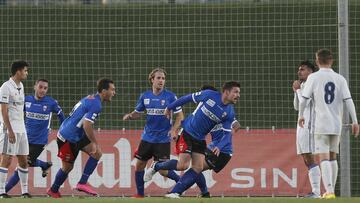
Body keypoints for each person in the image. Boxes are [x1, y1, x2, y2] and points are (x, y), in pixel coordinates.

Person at [144, 84, 240, 198]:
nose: (238, 95)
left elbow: (228, 134)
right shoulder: (209, 95)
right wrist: (169, 107)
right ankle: (157, 166)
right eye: (236, 92)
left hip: (200, 138)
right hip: (187, 132)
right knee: (182, 165)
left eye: (239, 93)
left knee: (197, 168)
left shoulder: (229, 112)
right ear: (226, 92)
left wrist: (219, 146)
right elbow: (187, 98)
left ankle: (175, 192)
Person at [298, 48, 359, 199]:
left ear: (317, 61)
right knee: (332, 156)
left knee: (323, 157)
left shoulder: (313, 77)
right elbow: (348, 100)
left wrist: (300, 115)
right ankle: (330, 191)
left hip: (321, 124)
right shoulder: (340, 78)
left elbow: (304, 99)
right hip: (336, 124)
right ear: (331, 61)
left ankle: (330, 191)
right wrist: (355, 121)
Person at [46, 78, 115, 198]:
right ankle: (53, 190)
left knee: (97, 153)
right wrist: (94, 142)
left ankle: (82, 183)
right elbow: (87, 124)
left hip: (76, 134)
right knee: (67, 167)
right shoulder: (96, 104)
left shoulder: (91, 98)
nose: (114, 92)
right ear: (104, 91)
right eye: (112, 90)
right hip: (67, 137)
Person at [123, 68, 184, 198]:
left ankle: (182, 184)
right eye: (158, 78)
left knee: (163, 170)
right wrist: (129, 116)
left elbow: (180, 116)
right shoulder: (145, 96)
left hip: (163, 140)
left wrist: (174, 129)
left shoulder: (171, 97)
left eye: (163, 78)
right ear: (152, 80)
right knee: (139, 165)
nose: (161, 81)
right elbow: (138, 113)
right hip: (147, 138)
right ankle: (140, 195)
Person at [5, 79, 66, 193]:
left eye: (45, 88)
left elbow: (62, 116)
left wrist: (63, 131)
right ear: (35, 87)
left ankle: (3, 191)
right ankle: (44, 165)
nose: (42, 90)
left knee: (21, 167)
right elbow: (16, 113)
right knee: (24, 162)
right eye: (40, 87)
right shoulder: (26, 100)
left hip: (39, 141)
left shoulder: (51, 102)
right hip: (24, 138)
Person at [0, 60, 31, 198]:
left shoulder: (21, 86)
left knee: (24, 160)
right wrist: (10, 130)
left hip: (21, 129)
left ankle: (24, 191)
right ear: (18, 71)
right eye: (25, 70)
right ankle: (1, 191)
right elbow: (4, 111)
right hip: (10, 129)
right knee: (7, 159)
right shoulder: (5, 87)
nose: (26, 73)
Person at [292, 61, 321, 198]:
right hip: (301, 126)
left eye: (302, 69)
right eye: (299, 70)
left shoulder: (313, 84)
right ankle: (315, 191)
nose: (299, 72)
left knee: (309, 157)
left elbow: (305, 102)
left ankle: (316, 192)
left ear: (310, 71)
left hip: (308, 125)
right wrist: (296, 91)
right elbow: (298, 107)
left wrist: (298, 90)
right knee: (306, 158)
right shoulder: (303, 84)